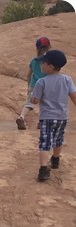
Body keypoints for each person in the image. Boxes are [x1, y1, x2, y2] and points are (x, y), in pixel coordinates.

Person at [31, 50, 76, 181]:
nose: (41, 65)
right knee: (58, 139)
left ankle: (43, 169)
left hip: (47, 117)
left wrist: (33, 97)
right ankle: (55, 160)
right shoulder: (67, 79)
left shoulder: (41, 82)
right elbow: (73, 96)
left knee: (45, 142)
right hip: (62, 117)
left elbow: (35, 100)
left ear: (50, 66)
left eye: (43, 63)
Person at [16, 37, 51, 130]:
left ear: (37, 48)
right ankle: (41, 122)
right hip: (46, 84)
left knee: (29, 103)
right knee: (45, 104)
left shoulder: (34, 61)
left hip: (34, 84)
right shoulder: (49, 61)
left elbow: (29, 74)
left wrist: (29, 86)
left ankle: (21, 117)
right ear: (49, 47)